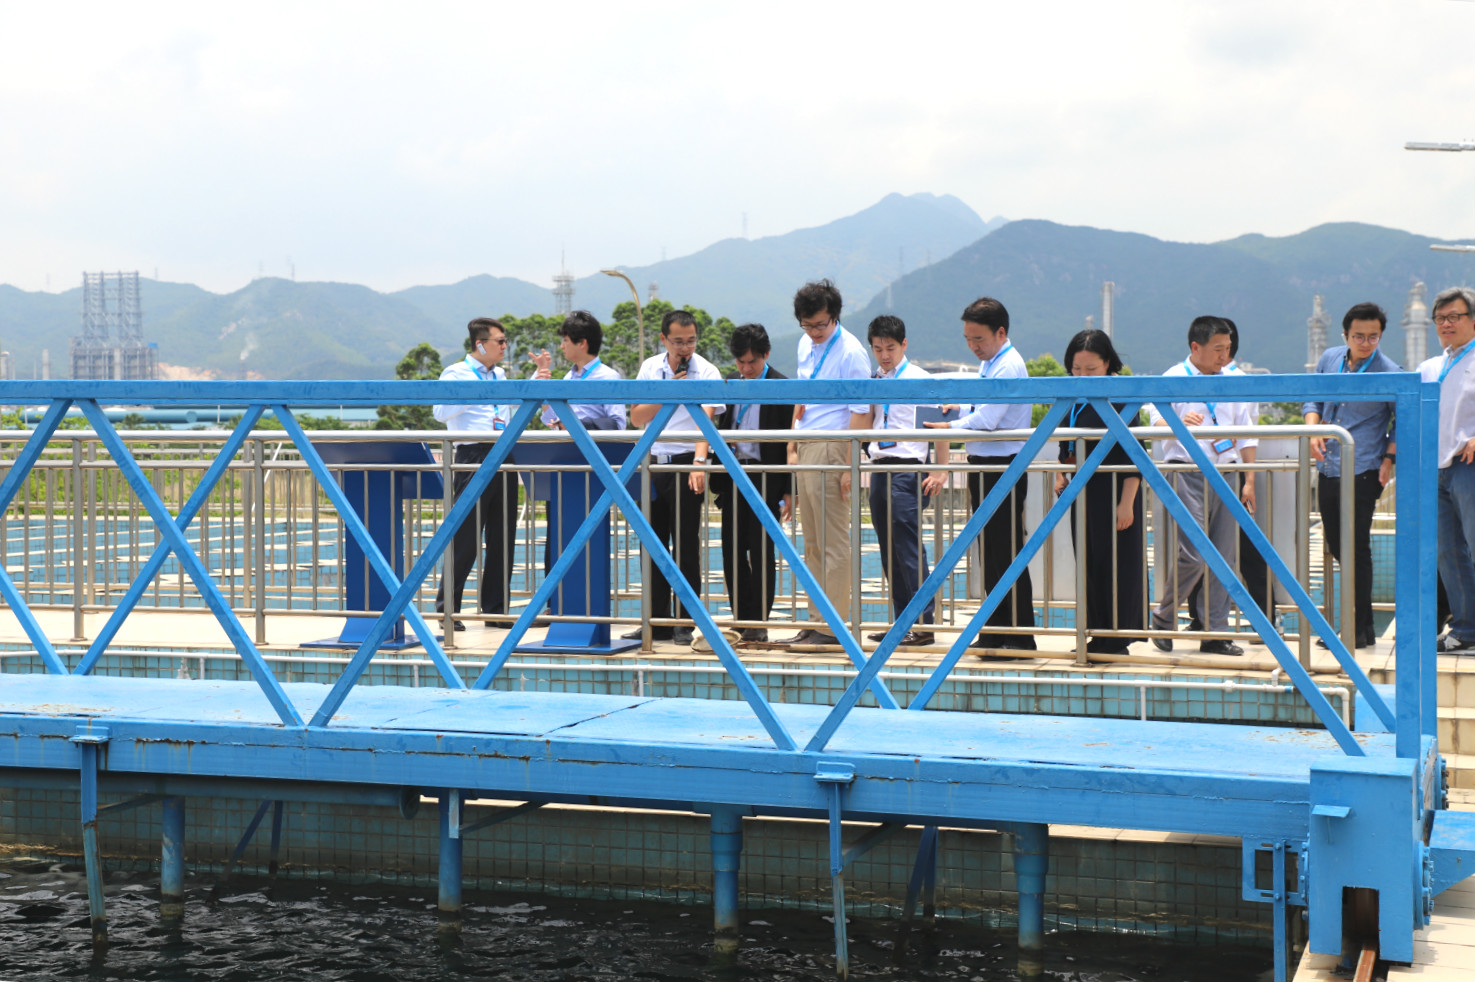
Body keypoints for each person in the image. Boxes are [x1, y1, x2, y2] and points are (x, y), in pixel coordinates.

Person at [924, 297, 1036, 650]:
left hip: (1001, 466)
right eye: (968, 340)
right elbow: (984, 409)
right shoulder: (992, 362)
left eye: (979, 339)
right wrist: (959, 408)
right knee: (991, 552)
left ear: (1000, 333)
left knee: (1004, 551)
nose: (973, 347)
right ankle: (998, 630)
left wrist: (948, 427)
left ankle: (1017, 635)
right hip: (986, 465)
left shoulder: (1008, 366)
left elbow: (988, 420)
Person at [1148, 316, 1258, 656]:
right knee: (1194, 555)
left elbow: (1247, 432)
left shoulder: (1234, 381)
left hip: (1226, 473)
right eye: (1218, 349)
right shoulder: (1173, 377)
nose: (1224, 356)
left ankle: (1215, 633)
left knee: (1223, 556)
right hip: (1187, 472)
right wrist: (1177, 421)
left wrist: (1250, 479)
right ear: (1196, 347)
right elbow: (1153, 421)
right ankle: (1164, 618)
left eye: (1228, 349)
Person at [779, 280, 872, 649]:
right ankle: (816, 619)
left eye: (820, 324)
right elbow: (802, 396)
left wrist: (849, 465)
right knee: (813, 542)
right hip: (808, 443)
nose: (814, 332)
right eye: (807, 325)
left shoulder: (851, 352)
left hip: (834, 445)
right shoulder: (805, 344)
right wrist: (792, 443)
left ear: (835, 316)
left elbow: (861, 413)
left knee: (833, 541)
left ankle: (834, 626)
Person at [1303, 302, 1398, 650]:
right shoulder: (1330, 358)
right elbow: (1312, 399)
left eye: (1373, 337)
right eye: (1359, 336)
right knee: (1337, 543)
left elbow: (1402, 418)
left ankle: (1355, 628)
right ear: (1345, 334)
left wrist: (1389, 458)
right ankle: (1361, 627)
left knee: (1355, 547)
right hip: (1328, 466)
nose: (1366, 343)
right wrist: (1313, 431)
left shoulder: (1389, 371)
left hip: (1363, 469)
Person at [626, 310, 724, 645]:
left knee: (685, 545)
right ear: (664, 340)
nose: (685, 348)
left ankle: (685, 621)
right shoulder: (650, 368)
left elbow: (705, 421)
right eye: (678, 341)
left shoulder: (707, 371)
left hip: (685, 462)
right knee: (652, 544)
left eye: (691, 341)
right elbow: (637, 416)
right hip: (653, 462)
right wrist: (670, 391)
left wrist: (699, 461)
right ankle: (656, 620)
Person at [1051, 330, 1144, 654]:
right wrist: (1061, 474)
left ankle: (1116, 638)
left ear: (1107, 364)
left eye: (1091, 369)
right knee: (1089, 562)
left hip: (1114, 491)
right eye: (1076, 369)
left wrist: (1127, 504)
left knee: (1115, 564)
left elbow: (1135, 456)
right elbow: (1065, 444)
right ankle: (1097, 632)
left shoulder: (1121, 397)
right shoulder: (1073, 397)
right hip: (1083, 491)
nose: (1083, 375)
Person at [860, 316, 949, 647]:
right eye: (878, 349)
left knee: (907, 546)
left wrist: (940, 469)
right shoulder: (874, 380)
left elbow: (938, 425)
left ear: (904, 345)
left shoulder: (920, 379)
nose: (884, 355)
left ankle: (923, 623)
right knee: (888, 548)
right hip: (879, 467)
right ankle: (902, 622)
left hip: (908, 468)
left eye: (891, 348)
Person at [530, 311, 627, 590]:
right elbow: (550, 417)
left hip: (590, 468)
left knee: (587, 535)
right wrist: (543, 384)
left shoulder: (608, 376)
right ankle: (554, 601)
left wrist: (577, 425)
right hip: (562, 464)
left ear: (581, 343)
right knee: (556, 535)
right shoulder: (568, 377)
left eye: (565, 340)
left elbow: (618, 424)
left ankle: (586, 598)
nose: (562, 346)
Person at [433, 318, 519, 630]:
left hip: (504, 452)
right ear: (480, 345)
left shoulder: (501, 374)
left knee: (503, 536)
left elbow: (510, 407)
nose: (504, 346)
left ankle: (496, 609)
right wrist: (476, 392)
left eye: (505, 341)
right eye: (499, 341)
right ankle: (448, 610)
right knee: (466, 535)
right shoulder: (456, 373)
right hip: (473, 455)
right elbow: (440, 412)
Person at [711, 324, 794, 642]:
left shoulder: (782, 387)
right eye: (741, 362)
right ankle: (740, 617)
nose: (746, 368)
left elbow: (791, 444)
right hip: (734, 474)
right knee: (732, 550)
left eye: (752, 362)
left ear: (766, 355)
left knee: (760, 551)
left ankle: (758, 622)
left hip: (765, 477)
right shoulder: (731, 383)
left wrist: (789, 489)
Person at [1419, 287, 1475, 653]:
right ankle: (1466, 628)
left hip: (1468, 466)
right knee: (1448, 552)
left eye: (1454, 316)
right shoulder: (1430, 366)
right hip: (1435, 468)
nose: (1446, 324)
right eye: (1440, 318)